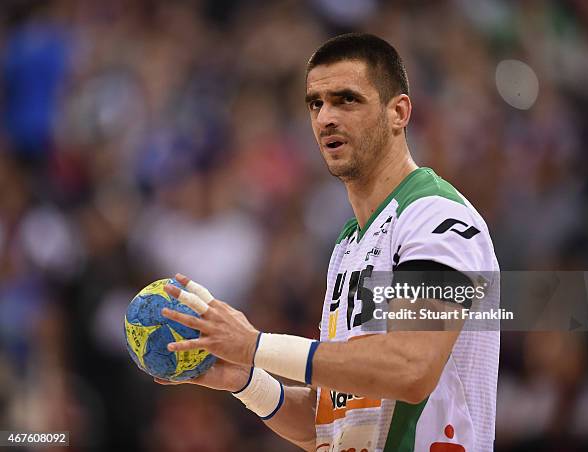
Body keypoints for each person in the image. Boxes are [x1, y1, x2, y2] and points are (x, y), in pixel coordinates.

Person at [156, 33, 500, 452]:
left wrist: (257, 345)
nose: (325, 118)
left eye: (346, 100)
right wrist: (248, 379)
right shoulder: (348, 245)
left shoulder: (436, 217)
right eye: (316, 103)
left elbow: (412, 367)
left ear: (399, 112)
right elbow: (331, 420)